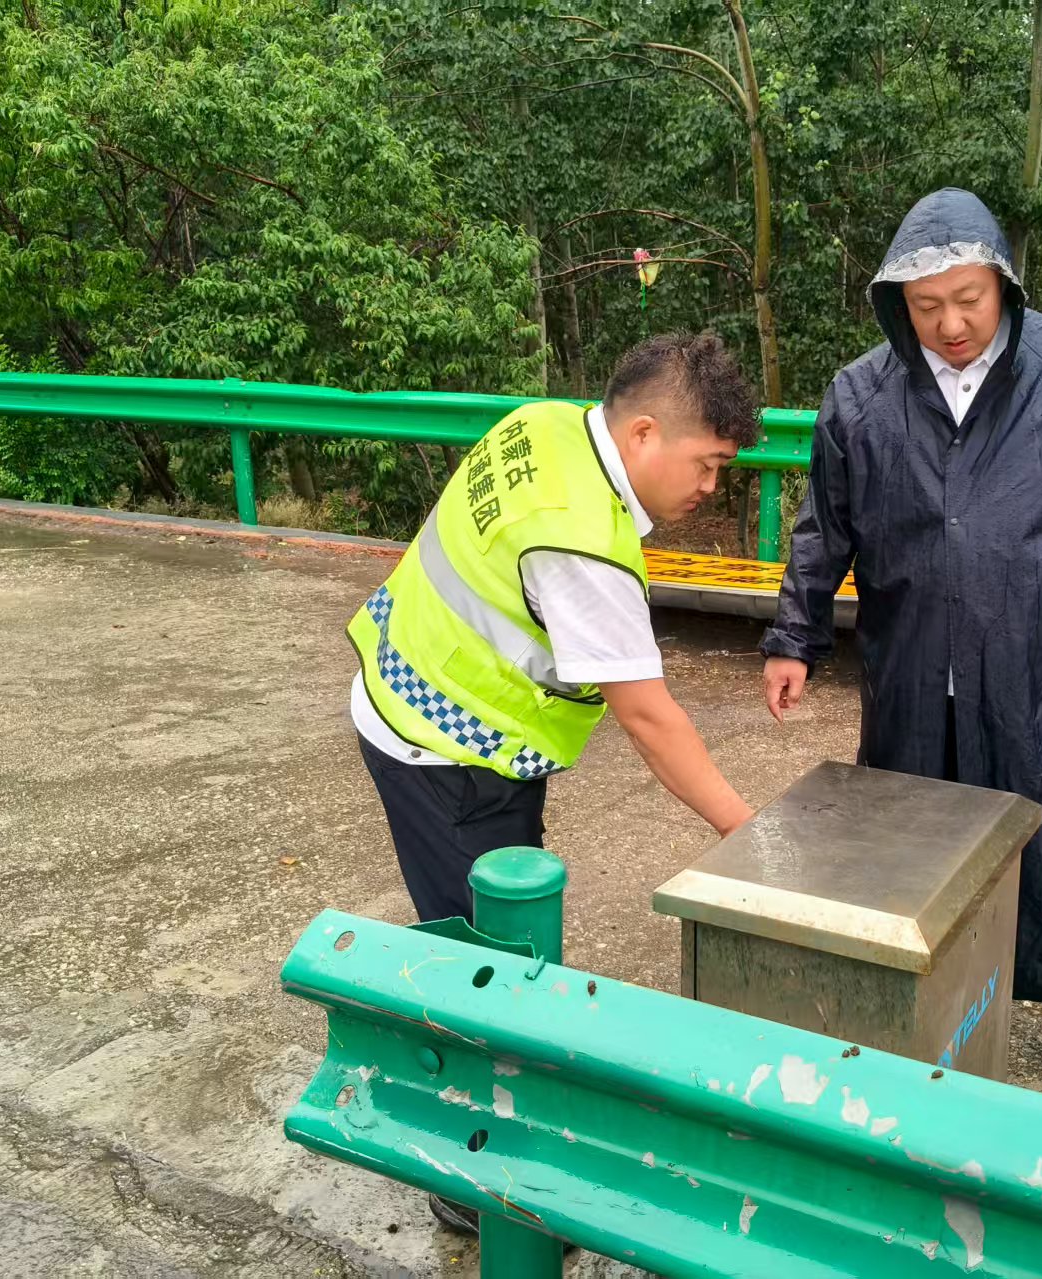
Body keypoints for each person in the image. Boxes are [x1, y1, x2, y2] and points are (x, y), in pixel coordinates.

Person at [760, 189, 1042, 1112]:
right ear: (895, 303)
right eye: (926, 305)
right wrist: (796, 635)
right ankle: (913, 1020)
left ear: (1003, 286)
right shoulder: (862, 395)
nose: (950, 323)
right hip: (912, 672)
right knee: (911, 853)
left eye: (969, 299)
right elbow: (824, 529)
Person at [349, 334, 758, 1230]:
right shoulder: (583, 543)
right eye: (709, 463)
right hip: (446, 750)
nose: (710, 488)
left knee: (491, 935)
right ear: (645, 433)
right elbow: (650, 719)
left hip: (406, 683)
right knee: (493, 962)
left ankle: (494, 1125)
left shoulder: (546, 424)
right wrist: (749, 831)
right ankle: (471, 1175)